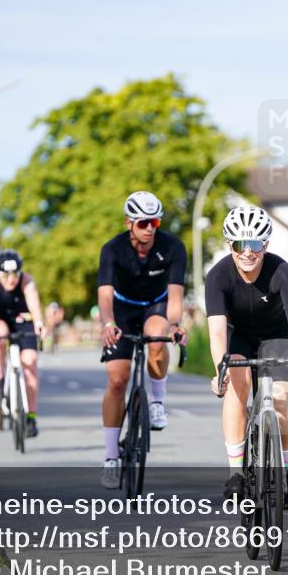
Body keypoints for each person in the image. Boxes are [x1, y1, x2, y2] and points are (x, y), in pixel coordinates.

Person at [206, 205, 288, 509]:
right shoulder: (218, 276)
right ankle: (235, 472)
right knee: (238, 386)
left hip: (277, 336)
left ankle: (283, 472)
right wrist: (220, 368)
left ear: (266, 245)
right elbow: (218, 332)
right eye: (239, 245)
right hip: (239, 337)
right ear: (229, 245)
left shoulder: (282, 272)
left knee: (283, 402)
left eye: (255, 244)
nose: (248, 252)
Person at [97, 191, 187, 489]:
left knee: (158, 337)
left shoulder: (172, 246)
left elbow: (175, 296)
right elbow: (105, 295)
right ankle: (111, 457)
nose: (150, 228)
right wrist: (107, 323)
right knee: (117, 380)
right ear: (129, 223)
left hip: (155, 305)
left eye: (155, 222)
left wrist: (174, 325)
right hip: (121, 309)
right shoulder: (112, 249)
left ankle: (158, 401)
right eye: (144, 222)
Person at [0, 250, 46, 436]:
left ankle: (31, 417)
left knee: (30, 364)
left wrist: (39, 323)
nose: (11, 280)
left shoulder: (27, 281)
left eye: (14, 274)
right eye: (6, 275)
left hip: (21, 320)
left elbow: (34, 305)